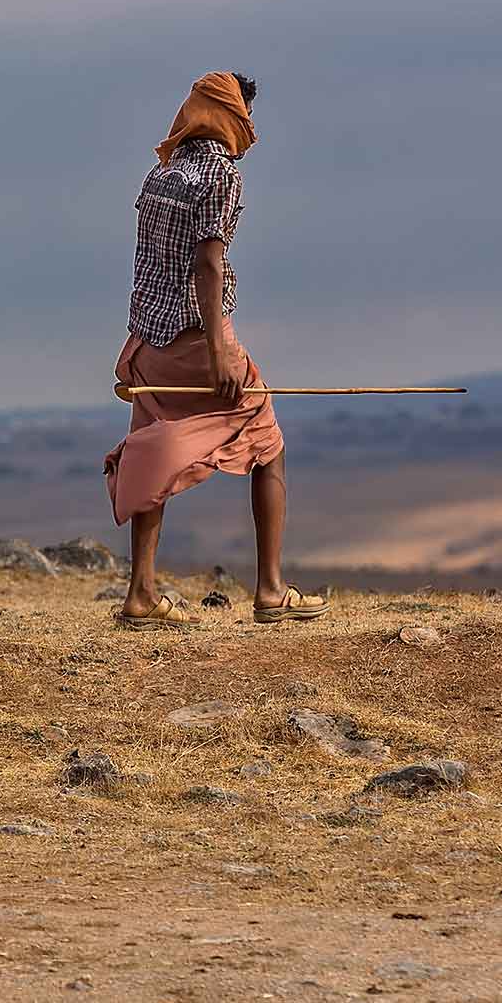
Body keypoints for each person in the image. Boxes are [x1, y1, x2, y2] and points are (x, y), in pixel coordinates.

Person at [103, 73, 329, 628]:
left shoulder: (161, 173)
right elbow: (207, 263)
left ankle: (141, 594)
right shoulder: (219, 175)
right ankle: (272, 590)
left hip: (148, 339)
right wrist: (218, 352)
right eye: (246, 119)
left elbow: (148, 263)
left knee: (151, 446)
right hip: (195, 337)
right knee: (267, 438)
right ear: (231, 117)